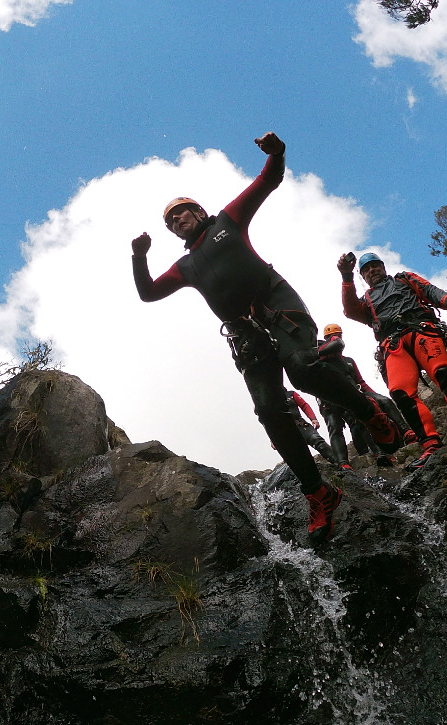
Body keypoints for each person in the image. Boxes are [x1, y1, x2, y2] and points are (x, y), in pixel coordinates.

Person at [130, 132, 402, 542]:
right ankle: (318, 493)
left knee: (302, 368)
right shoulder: (185, 267)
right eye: (171, 222)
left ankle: (370, 414)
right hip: (246, 337)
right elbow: (148, 293)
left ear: (198, 211)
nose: (176, 222)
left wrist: (277, 153)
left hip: (278, 305)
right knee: (270, 412)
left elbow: (267, 181)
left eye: (181, 214)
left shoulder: (227, 221)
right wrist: (139, 257)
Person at [337, 251, 447, 469]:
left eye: (375, 266)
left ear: (383, 267)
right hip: (393, 344)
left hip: (420, 329)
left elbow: (428, 289)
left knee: (441, 370)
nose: (372, 271)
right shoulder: (366, 301)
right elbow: (350, 310)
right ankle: (430, 443)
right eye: (366, 269)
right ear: (363, 276)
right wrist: (346, 277)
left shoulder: (403, 279)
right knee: (400, 392)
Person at [316, 323, 411, 468]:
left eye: (338, 335)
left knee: (382, 402)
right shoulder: (320, 359)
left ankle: (404, 433)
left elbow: (361, 382)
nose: (336, 338)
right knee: (335, 426)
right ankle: (344, 463)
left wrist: (374, 396)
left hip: (353, 392)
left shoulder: (348, 361)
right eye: (332, 336)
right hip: (329, 400)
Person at [286, 389, 339, 465]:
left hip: (301, 424)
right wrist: (273, 439)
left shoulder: (291, 394)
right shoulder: (270, 401)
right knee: (296, 454)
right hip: (285, 431)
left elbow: (304, 405)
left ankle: (339, 463)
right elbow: (270, 420)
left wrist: (313, 419)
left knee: (316, 440)